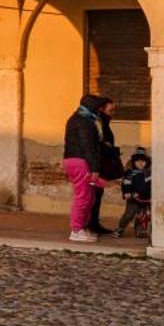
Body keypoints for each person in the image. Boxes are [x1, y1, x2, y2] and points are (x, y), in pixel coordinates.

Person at [63, 93, 109, 243]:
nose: (100, 110)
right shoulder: (84, 122)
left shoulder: (79, 119)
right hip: (81, 162)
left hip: (76, 160)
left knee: (90, 197)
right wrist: (94, 168)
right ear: (93, 108)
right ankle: (76, 230)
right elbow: (88, 146)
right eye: (99, 108)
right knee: (83, 197)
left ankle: (82, 228)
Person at [86, 96, 123, 236]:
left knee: (98, 194)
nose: (112, 113)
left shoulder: (104, 123)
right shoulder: (98, 123)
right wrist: (113, 150)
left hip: (102, 162)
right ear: (101, 109)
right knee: (93, 194)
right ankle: (90, 224)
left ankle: (94, 223)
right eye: (110, 110)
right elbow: (99, 144)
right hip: (96, 164)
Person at [119, 147, 152, 238]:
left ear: (147, 162)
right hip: (134, 197)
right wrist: (127, 193)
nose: (141, 163)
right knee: (129, 214)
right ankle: (120, 228)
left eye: (143, 161)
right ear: (134, 162)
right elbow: (125, 185)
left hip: (147, 196)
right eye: (138, 161)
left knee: (153, 213)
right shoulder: (130, 173)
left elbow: (152, 184)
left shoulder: (148, 173)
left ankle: (151, 229)